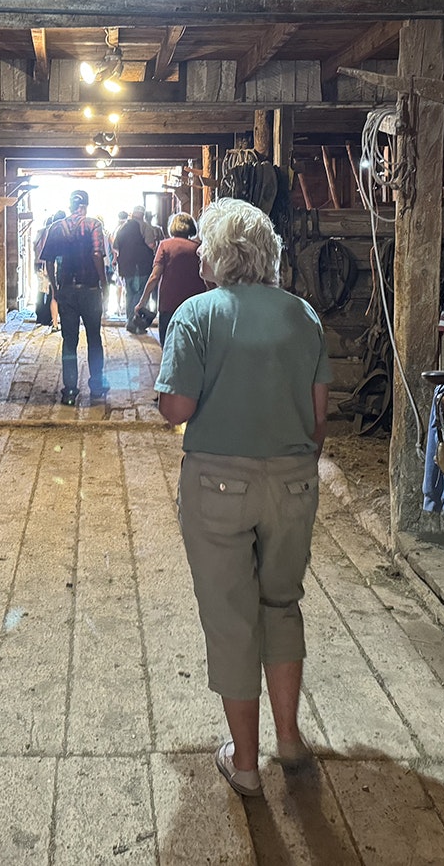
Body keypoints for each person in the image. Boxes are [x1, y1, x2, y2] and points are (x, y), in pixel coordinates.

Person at [153, 198, 331, 799]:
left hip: (217, 483)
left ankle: (246, 766)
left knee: (231, 620)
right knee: (281, 604)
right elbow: (318, 419)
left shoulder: (196, 316)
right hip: (294, 480)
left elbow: (176, 407)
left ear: (221, 254)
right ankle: (288, 738)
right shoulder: (303, 315)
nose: (198, 252)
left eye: (204, 243)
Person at [36, 189, 111, 406]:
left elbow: (48, 261)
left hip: (66, 290)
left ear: (70, 206)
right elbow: (97, 254)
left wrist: (55, 286)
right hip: (89, 290)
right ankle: (96, 386)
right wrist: (103, 283)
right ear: (85, 205)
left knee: (69, 341)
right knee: (94, 338)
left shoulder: (56, 228)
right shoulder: (93, 225)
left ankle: (70, 391)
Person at [137, 212, 209, 348]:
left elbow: (154, 276)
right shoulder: (198, 248)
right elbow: (207, 277)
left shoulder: (165, 245)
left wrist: (142, 301)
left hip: (169, 302)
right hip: (194, 304)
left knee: (168, 345)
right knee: (193, 347)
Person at [113, 205, 161, 333]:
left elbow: (115, 246)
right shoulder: (144, 226)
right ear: (143, 214)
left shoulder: (122, 228)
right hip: (140, 266)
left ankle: (130, 320)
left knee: (129, 294)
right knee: (139, 294)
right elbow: (151, 244)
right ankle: (135, 322)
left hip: (126, 267)